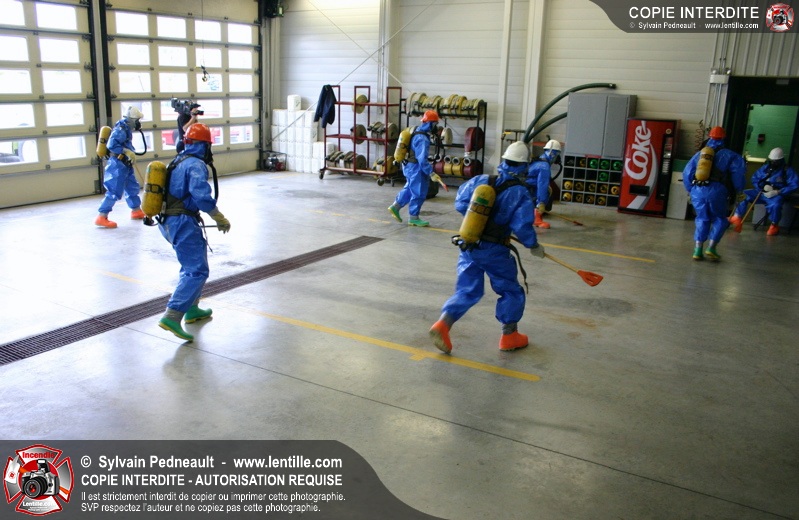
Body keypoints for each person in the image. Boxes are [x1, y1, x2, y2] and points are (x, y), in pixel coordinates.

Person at [429, 141, 545, 353]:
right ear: (524, 165)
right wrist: (533, 245)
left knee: (467, 290)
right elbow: (521, 225)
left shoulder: (482, 180)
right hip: (495, 251)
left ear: (504, 161)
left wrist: (479, 221)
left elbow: (460, 203)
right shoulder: (520, 192)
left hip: (469, 243)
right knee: (510, 290)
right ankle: (510, 336)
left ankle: (443, 324)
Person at [157, 123, 231, 342]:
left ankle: (192, 309)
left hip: (168, 221)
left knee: (192, 264)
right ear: (205, 145)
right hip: (183, 223)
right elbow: (202, 197)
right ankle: (172, 316)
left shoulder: (177, 161)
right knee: (196, 271)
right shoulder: (196, 165)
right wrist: (218, 217)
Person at [682, 126, 746, 261]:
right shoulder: (731, 155)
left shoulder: (699, 155)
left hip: (698, 191)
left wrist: (691, 190)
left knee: (702, 218)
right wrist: (739, 191)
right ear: (723, 138)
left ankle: (697, 250)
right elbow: (738, 176)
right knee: (719, 219)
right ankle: (711, 248)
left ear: (709, 137)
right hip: (717, 191)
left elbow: (687, 173)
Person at [95, 106, 146, 228]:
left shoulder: (127, 128)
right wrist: (126, 151)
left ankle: (136, 210)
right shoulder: (120, 129)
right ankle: (102, 216)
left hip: (125, 163)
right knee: (113, 190)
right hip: (117, 164)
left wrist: (129, 153)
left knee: (131, 187)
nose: (138, 123)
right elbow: (111, 145)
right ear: (132, 119)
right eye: (137, 120)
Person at [387, 110, 440, 227]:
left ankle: (395, 207)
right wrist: (431, 173)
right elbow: (422, 160)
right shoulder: (423, 139)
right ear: (430, 124)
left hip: (408, 166)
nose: (436, 127)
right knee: (419, 192)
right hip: (416, 168)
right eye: (435, 124)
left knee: (410, 188)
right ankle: (414, 218)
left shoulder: (416, 131)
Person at [728, 147, 798, 236]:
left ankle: (774, 225)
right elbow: (755, 178)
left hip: (775, 195)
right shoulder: (765, 168)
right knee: (743, 194)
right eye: (772, 161)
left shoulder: (787, 170)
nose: (773, 163)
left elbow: (794, 184)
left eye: (775, 161)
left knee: (776, 205)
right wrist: (761, 186)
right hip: (761, 192)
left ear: (780, 160)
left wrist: (778, 191)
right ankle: (737, 216)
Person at [526, 139, 561, 229]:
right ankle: (537, 218)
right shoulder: (544, 167)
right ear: (552, 154)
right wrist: (541, 203)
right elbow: (542, 185)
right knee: (547, 190)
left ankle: (530, 213)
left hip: (525, 186)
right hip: (527, 188)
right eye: (557, 154)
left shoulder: (540, 159)